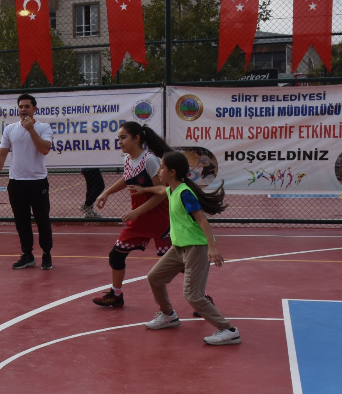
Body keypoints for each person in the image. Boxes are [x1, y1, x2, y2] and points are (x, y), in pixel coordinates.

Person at [135, 151, 238, 345]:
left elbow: (202, 220)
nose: (158, 171)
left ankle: (228, 329)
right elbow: (161, 190)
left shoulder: (185, 193)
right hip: (178, 248)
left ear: (172, 172)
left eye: (162, 167)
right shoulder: (172, 190)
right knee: (155, 278)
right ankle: (168, 315)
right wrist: (145, 189)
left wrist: (212, 247)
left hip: (196, 248)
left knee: (193, 295)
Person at [91, 121, 174, 309]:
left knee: (177, 263)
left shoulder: (150, 160)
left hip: (160, 218)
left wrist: (136, 211)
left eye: (123, 138)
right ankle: (116, 295)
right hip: (140, 217)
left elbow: (162, 192)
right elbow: (127, 178)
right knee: (116, 255)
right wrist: (106, 193)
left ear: (136, 138)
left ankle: (202, 298)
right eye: (118, 138)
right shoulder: (128, 159)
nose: (119, 142)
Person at [0, 93, 54, 270]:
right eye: (20, 106)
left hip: (37, 181)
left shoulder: (43, 128)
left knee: (42, 220)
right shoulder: (10, 129)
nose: (23, 109)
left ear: (34, 109)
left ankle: (46, 253)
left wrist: (31, 130)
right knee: (21, 221)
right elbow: (2, 154)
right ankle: (27, 255)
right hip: (16, 182)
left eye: (27, 106)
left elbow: (45, 149)